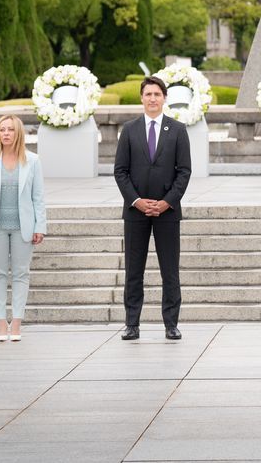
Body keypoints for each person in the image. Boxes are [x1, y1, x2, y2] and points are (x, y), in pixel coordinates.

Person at [114, 76, 192, 341]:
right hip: (135, 212)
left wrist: (167, 201)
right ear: (141, 97)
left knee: (169, 270)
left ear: (164, 98)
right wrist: (136, 201)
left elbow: (184, 171)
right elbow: (120, 171)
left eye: (157, 94)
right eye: (148, 94)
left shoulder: (178, 130)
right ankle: (131, 324)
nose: (152, 99)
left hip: (167, 212)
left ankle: (171, 323)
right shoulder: (129, 129)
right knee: (133, 270)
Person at [0, 115, 46, 341]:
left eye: (10, 130)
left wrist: (40, 226)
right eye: (2, 129)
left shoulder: (33, 161)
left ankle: (16, 324)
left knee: (21, 274)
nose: (5, 133)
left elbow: (38, 197)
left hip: (23, 226)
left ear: (18, 133)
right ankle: (0, 325)